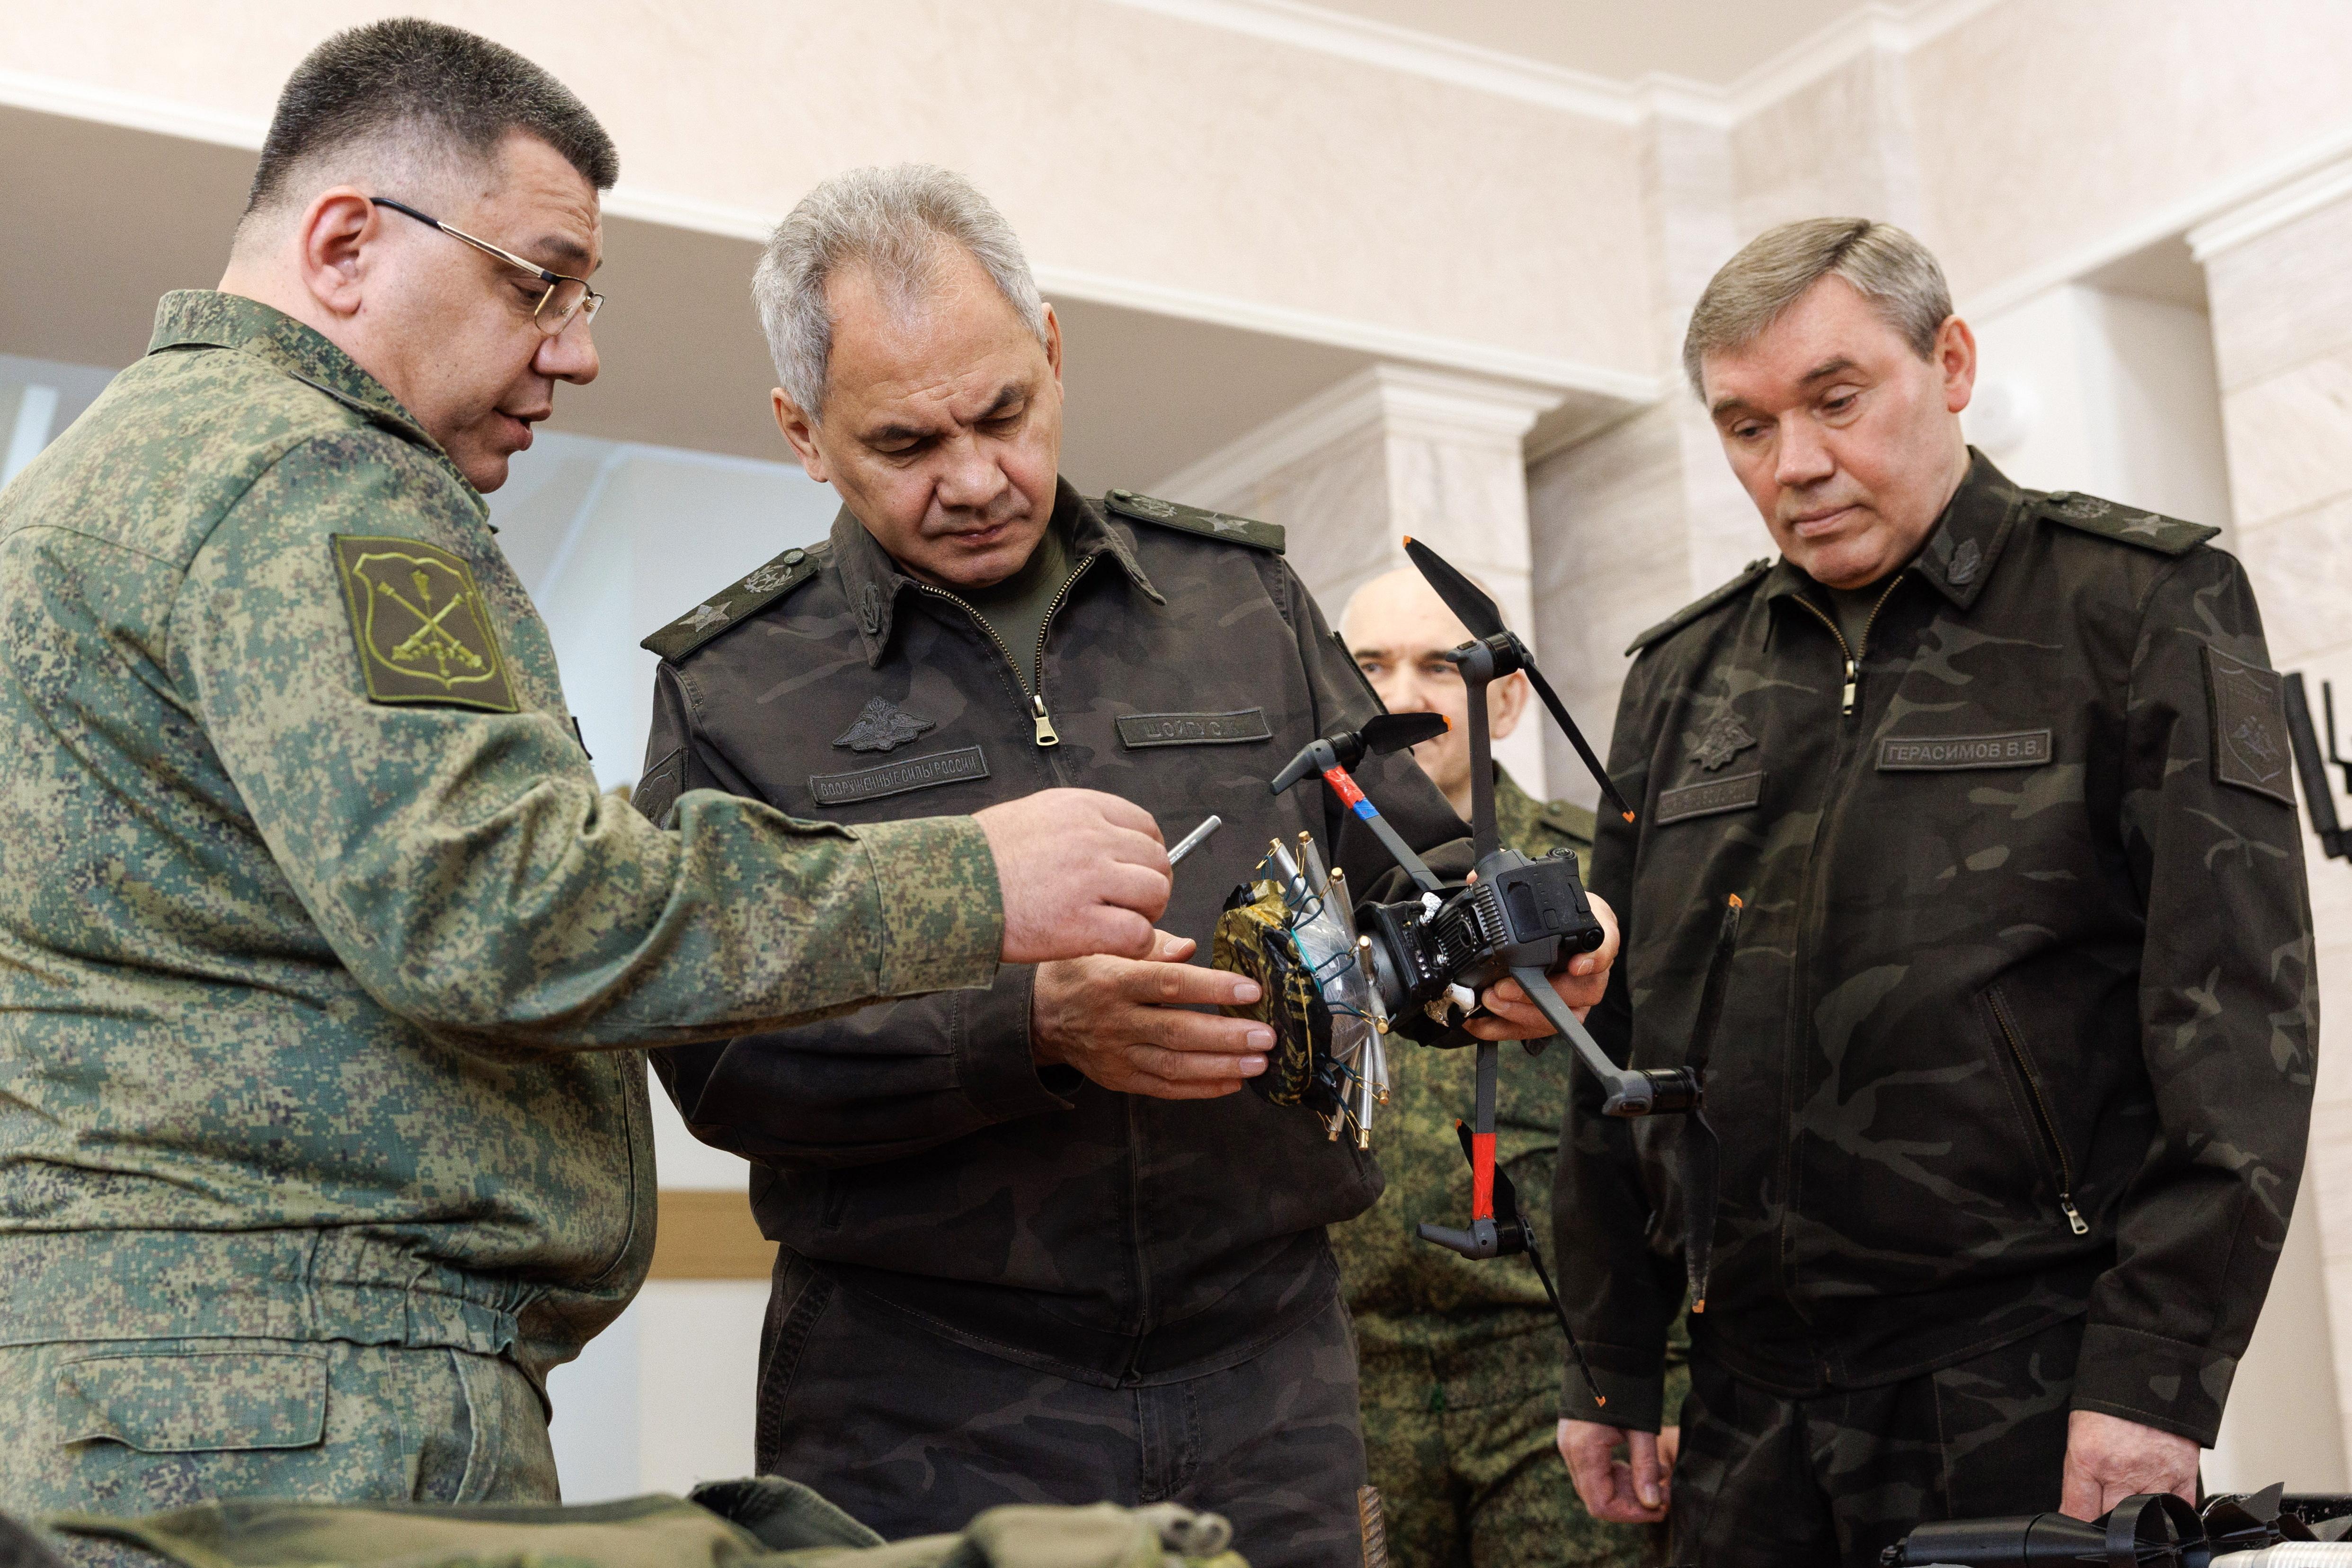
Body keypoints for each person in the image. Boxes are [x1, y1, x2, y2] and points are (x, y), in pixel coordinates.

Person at [0, 23, 1171, 1537]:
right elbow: (503, 901)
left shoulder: (112, 479)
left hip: (169, 1386)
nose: (578, 348)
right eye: (535, 282)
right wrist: (978, 879)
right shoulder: (304, 472)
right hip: (305, 1404)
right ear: (348, 243)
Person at [637, 164, 1617, 1568]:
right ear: (803, 434)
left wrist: (1514, 939)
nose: (975, 479)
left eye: (1003, 414)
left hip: (1267, 1361)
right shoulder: (739, 686)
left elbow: (1412, 852)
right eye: (906, 442)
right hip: (919, 1390)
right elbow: (715, 1051)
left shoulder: (1238, 602)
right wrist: (1028, 1028)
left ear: (1051, 350)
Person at [1553, 217, 2316, 1567]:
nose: (1795, 464)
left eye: (1835, 401)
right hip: (1743, 1401)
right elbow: (1609, 1032)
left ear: (1950, 362)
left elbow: (2239, 1023)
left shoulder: (2140, 605)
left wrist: (2156, 1370)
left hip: (2019, 1377)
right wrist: (1611, 1348)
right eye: (1744, 427)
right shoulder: (1680, 678)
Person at [1334, 568, 1672, 1568]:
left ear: (1509, 695)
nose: (1404, 695)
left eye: (1441, 663)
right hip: (1353, 1391)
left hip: (1551, 1379)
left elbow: (1671, 1131)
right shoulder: (1291, 898)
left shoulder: (1601, 875)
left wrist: (1668, 1375)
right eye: (1370, 666)